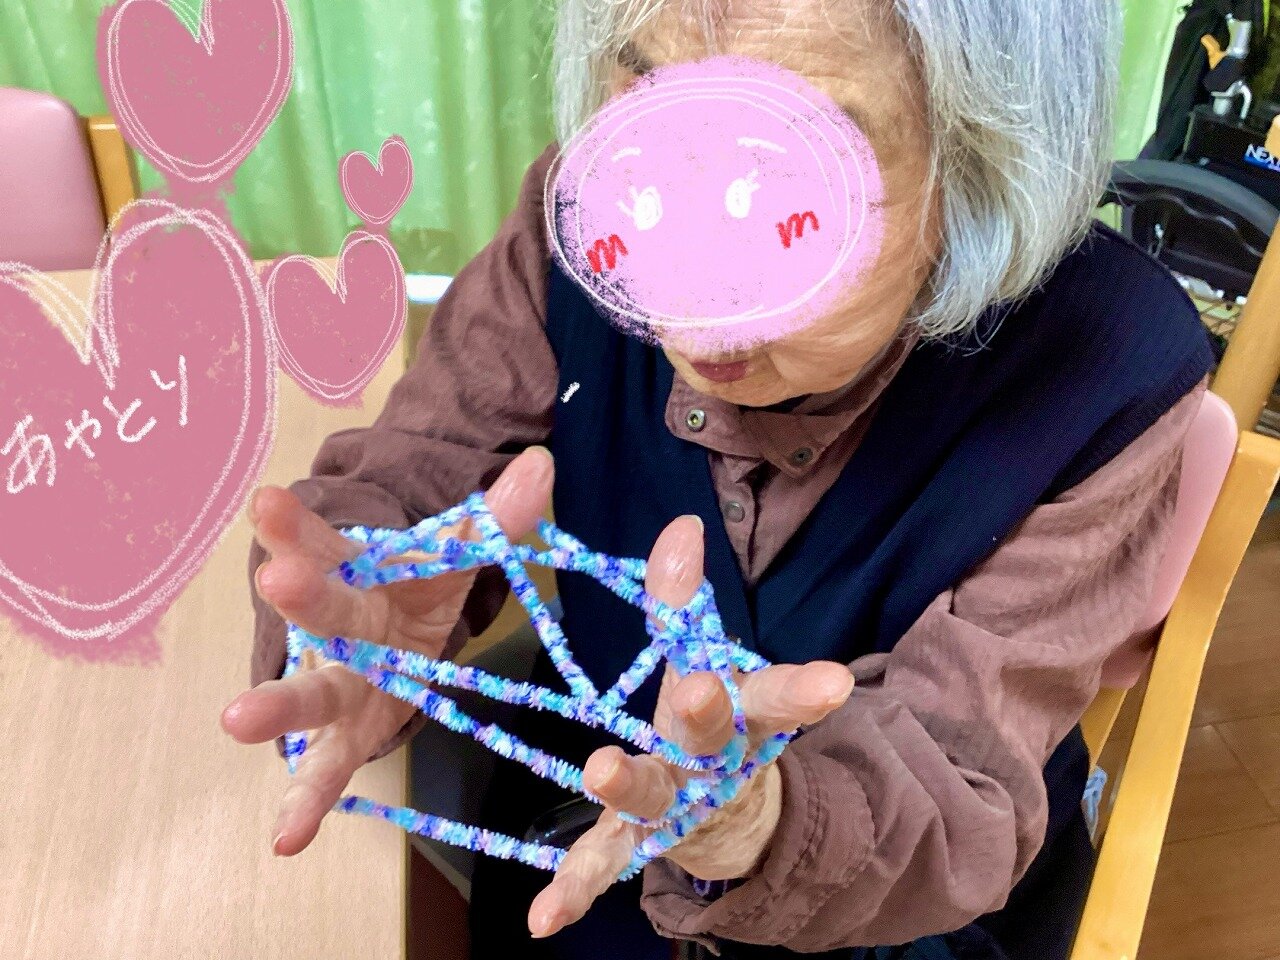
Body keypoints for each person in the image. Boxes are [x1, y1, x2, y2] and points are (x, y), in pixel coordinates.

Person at [220, 1, 1215, 957]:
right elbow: (416, 467)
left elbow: (959, 774)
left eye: (803, 168)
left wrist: (760, 824)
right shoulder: (585, 221)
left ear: (982, 154)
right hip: (597, 837)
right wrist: (365, 596)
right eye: (653, 105)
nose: (684, 306)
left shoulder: (1108, 369)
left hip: (901, 907)